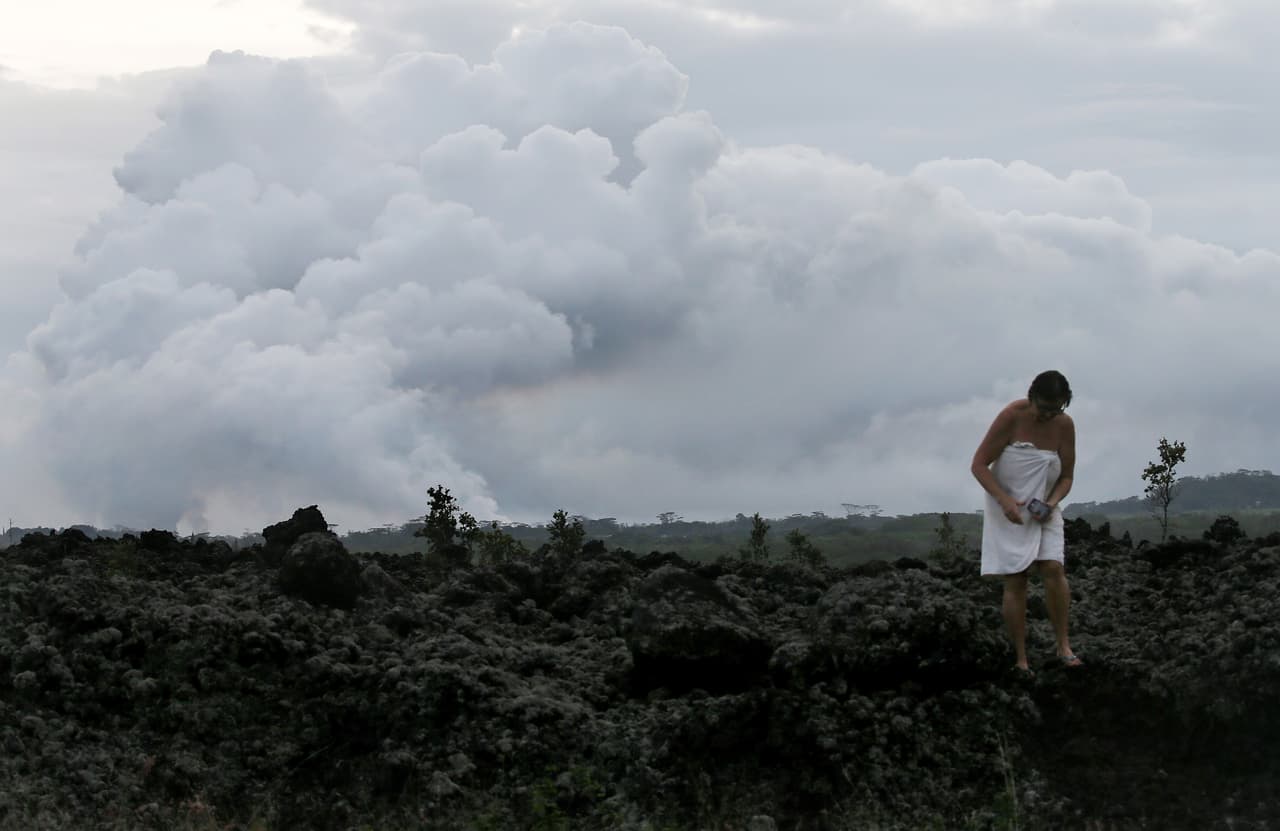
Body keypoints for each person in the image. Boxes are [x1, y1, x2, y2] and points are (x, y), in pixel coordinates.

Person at [970, 370, 1081, 672]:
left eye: (1054, 409)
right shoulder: (1011, 416)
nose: (1047, 415)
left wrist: (1052, 503)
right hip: (1008, 507)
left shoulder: (1065, 425)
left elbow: (1068, 476)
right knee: (1016, 578)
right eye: (1042, 408)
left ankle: (1063, 645)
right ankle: (1021, 658)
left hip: (1044, 508)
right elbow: (979, 464)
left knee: (1053, 567)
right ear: (1031, 397)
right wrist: (1004, 501)